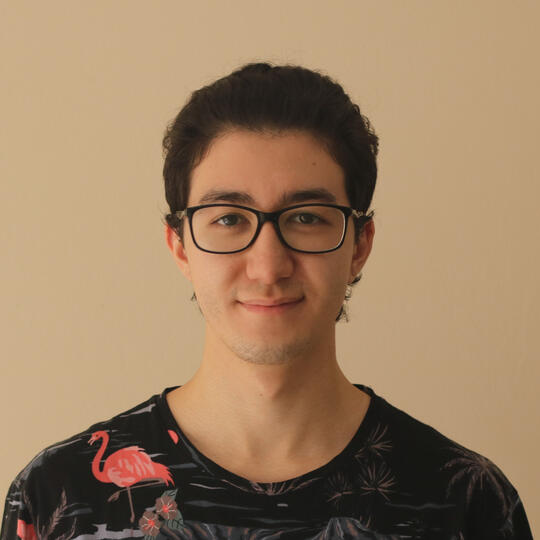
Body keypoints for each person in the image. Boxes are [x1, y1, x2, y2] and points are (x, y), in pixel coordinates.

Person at [1, 63, 532, 540]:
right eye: (230, 219)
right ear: (180, 246)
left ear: (359, 246)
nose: (268, 265)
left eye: (306, 218)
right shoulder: (54, 497)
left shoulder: (467, 501)